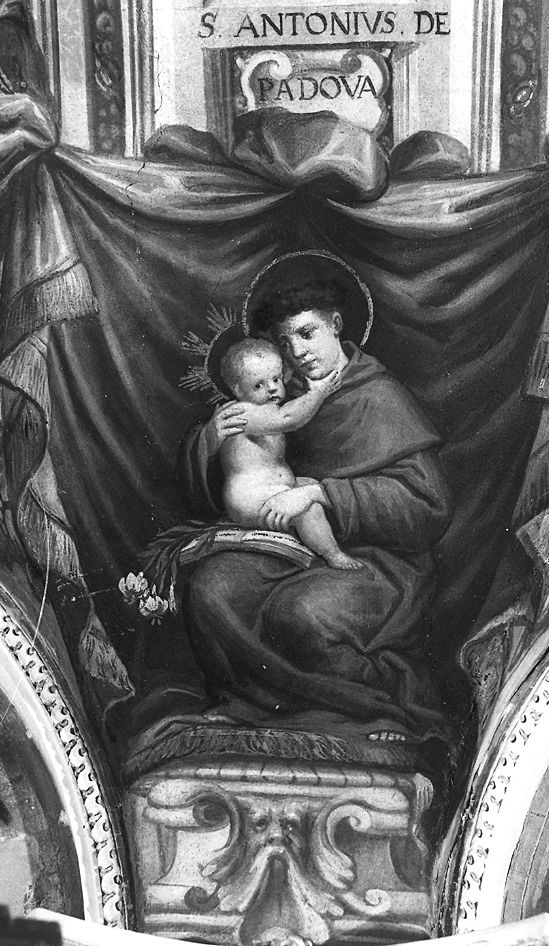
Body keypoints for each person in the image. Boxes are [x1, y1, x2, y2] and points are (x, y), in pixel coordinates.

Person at [177, 252, 453, 745]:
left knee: (300, 613)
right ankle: (251, 706)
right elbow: (232, 473)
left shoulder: (378, 395)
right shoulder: (276, 396)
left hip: (380, 561)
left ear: (336, 325)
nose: (297, 352)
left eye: (306, 334)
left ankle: (380, 709)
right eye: (285, 343)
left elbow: (426, 505)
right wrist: (212, 439)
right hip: (293, 547)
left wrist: (322, 493)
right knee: (211, 588)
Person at [216, 338, 361, 570]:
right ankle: (333, 554)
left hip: (270, 490)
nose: (272, 388)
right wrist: (320, 392)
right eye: (259, 385)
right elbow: (288, 418)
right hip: (251, 499)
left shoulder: (264, 408)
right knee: (308, 507)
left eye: (276, 379)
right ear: (237, 389)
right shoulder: (242, 413)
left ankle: (319, 538)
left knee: (311, 486)